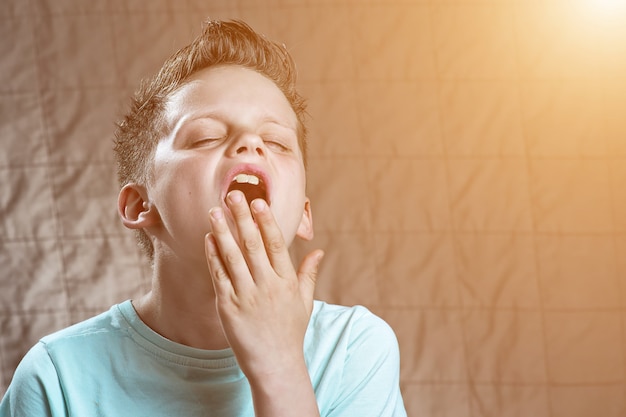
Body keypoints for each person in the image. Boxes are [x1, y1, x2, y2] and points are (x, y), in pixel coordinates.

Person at [0, 19, 407, 416]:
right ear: (140, 205)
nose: (250, 143)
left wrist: (280, 364)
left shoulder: (355, 349)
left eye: (277, 142)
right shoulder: (55, 379)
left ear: (303, 215)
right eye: (206, 136)